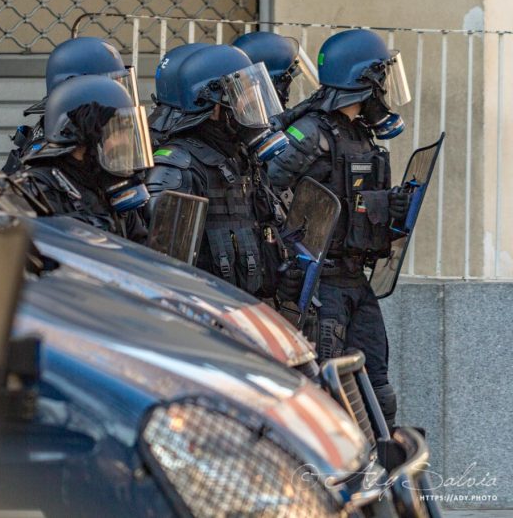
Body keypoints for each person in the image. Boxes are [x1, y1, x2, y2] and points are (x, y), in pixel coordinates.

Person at [267, 28, 412, 426]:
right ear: (366, 79)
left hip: (355, 279)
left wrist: (389, 206)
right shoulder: (312, 132)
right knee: (327, 391)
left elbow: (354, 201)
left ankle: (381, 475)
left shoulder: (359, 135)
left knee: (376, 387)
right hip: (322, 285)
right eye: (381, 76)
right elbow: (266, 189)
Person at [144, 45, 294, 298]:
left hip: (248, 308)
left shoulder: (238, 156)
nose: (251, 104)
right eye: (242, 94)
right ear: (212, 102)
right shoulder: (178, 168)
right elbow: (164, 271)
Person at [17, 74, 152, 242]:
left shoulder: (111, 186)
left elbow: (143, 252)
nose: (126, 140)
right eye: (116, 132)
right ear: (83, 137)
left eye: (128, 130)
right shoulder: (34, 192)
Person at [3, 36, 136, 173]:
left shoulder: (78, 140)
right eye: (110, 86)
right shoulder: (51, 157)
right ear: (77, 87)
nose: (119, 94)